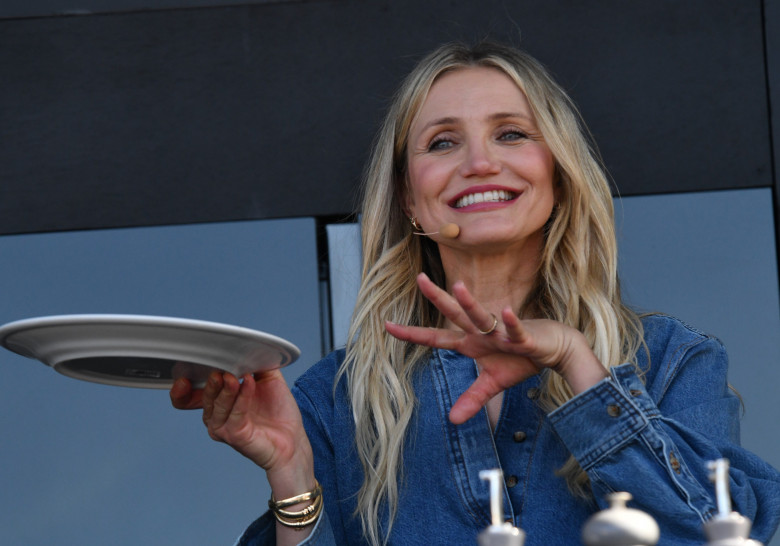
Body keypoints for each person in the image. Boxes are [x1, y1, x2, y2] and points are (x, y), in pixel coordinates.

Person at [170, 41, 780, 545]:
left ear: (560, 175)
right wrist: (292, 475)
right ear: (409, 198)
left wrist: (576, 360)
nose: (480, 162)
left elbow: (723, 532)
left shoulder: (674, 361)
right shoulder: (334, 401)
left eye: (511, 134)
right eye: (442, 142)